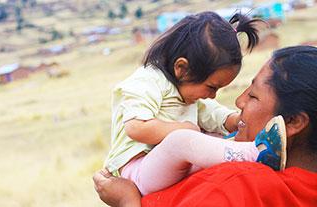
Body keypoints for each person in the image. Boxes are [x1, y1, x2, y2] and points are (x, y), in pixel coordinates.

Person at [94, 46, 317, 207]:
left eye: (252, 96)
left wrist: (126, 201)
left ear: (293, 123)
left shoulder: (236, 185)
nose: (237, 101)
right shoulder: (305, 179)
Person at [104, 11, 268, 197]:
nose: (213, 96)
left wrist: (233, 120)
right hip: (138, 170)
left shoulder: (185, 92)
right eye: (211, 87)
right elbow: (136, 128)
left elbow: (209, 113)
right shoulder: (147, 81)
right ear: (182, 69)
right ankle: (256, 153)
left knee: (216, 137)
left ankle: (250, 149)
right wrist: (184, 128)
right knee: (182, 140)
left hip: (167, 166)